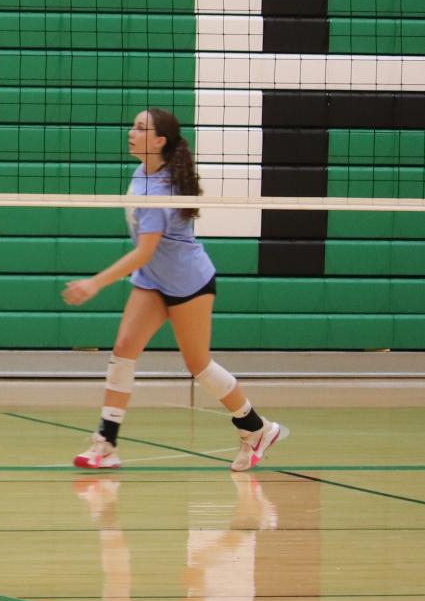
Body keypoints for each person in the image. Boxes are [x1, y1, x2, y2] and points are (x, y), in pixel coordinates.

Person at [63, 109, 287, 473]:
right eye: (132, 124)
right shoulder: (141, 174)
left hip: (188, 284)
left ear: (159, 141)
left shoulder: (161, 190)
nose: (131, 132)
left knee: (199, 365)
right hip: (153, 280)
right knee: (123, 349)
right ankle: (106, 443)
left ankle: (255, 428)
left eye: (140, 128)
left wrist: (94, 283)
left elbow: (143, 251)